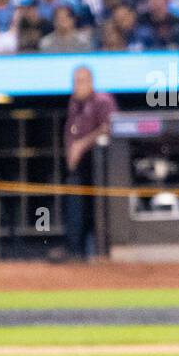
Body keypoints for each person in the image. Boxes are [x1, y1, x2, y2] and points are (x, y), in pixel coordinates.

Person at [61, 66, 116, 261]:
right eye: (75, 82)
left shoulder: (103, 100)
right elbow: (70, 130)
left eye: (81, 81)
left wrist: (81, 145)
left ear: (91, 82)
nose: (77, 86)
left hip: (100, 166)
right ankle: (76, 252)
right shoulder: (74, 103)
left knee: (97, 211)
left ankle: (97, 252)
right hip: (78, 168)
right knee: (75, 209)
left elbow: (109, 127)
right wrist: (70, 151)